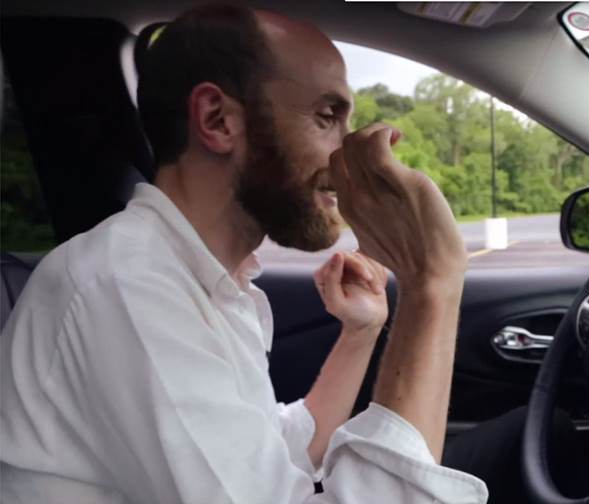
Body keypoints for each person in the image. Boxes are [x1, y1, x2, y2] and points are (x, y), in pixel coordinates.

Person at [0, 4, 517, 503]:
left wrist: (362, 334)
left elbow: (277, 454)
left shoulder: (196, 277)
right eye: (327, 116)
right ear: (218, 119)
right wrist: (433, 282)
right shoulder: (125, 283)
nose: (346, 154)